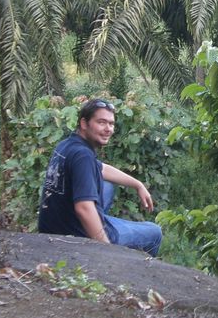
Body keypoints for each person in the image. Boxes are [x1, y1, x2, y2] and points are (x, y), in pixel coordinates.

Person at [37, 99, 162, 256]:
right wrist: (106, 251)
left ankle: (99, 222)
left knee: (107, 186)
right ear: (84, 123)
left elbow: (101, 169)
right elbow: (83, 208)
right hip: (73, 237)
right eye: (101, 122)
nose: (108, 129)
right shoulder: (82, 155)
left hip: (53, 227)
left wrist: (138, 184)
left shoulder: (67, 144)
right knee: (154, 233)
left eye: (111, 124)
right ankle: (134, 273)